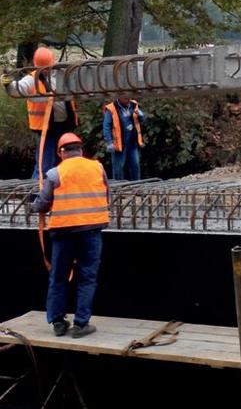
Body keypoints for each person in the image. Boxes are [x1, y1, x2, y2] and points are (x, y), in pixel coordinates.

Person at [31, 132, 109, 339]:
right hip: (91, 231)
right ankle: (81, 324)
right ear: (81, 150)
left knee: (58, 277)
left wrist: (34, 205)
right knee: (87, 277)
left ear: (60, 152)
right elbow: (105, 194)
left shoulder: (55, 173)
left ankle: (57, 322)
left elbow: (42, 203)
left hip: (63, 232)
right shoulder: (97, 167)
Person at [14, 47, 79, 178]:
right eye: (43, 68)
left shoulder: (60, 75)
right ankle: (36, 195)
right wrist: (8, 84)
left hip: (65, 126)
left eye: (47, 67)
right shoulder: (32, 79)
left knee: (65, 164)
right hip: (46, 129)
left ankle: (58, 193)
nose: (46, 70)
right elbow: (18, 89)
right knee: (44, 166)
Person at [102, 97, 146, 180]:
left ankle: (137, 186)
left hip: (132, 143)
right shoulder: (111, 108)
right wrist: (109, 142)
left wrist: (141, 115)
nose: (128, 100)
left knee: (135, 165)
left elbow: (142, 120)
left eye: (129, 98)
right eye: (125, 98)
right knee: (118, 169)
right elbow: (106, 126)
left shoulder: (133, 104)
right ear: (119, 97)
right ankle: (118, 188)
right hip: (119, 144)